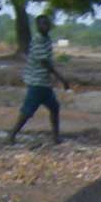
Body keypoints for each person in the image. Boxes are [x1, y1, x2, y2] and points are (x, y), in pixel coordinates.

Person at [10, 14, 70, 145]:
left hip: (43, 82)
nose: (46, 26)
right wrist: (61, 78)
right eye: (43, 24)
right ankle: (12, 135)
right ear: (37, 26)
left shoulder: (46, 38)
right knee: (27, 111)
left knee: (54, 108)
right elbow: (45, 63)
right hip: (37, 81)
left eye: (47, 24)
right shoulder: (38, 40)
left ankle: (55, 138)